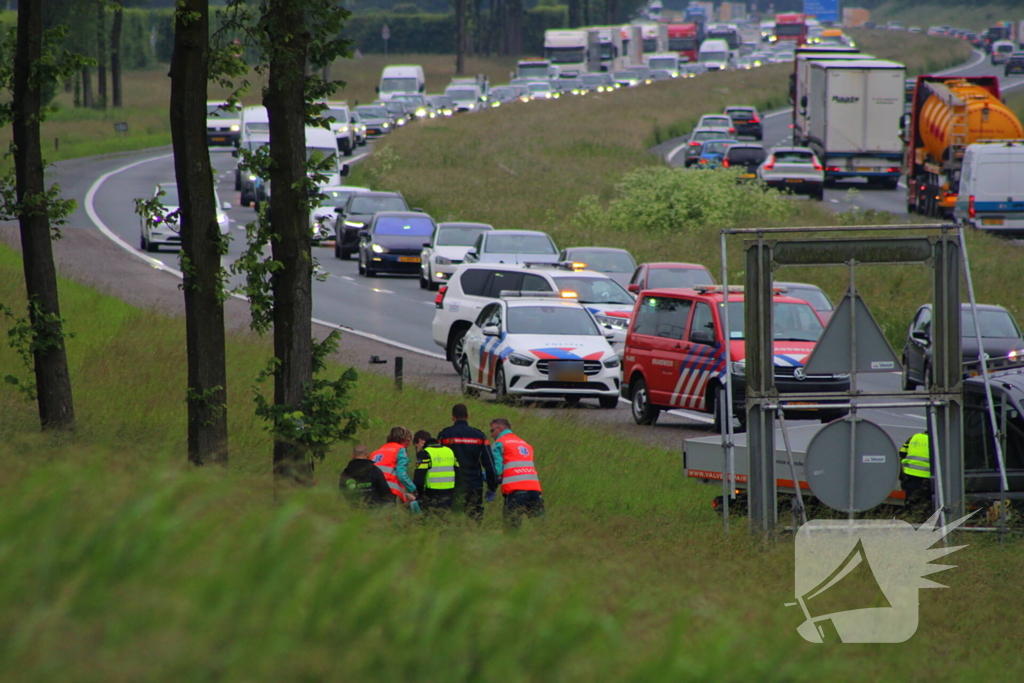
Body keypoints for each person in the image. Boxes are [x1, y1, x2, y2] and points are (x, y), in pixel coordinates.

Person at [438, 403, 498, 521]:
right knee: (474, 521)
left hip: (451, 485)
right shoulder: (479, 436)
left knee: (452, 521)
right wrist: (492, 486)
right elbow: (489, 463)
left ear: (453, 417)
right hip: (474, 485)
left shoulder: (444, 435)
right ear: (468, 416)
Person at [489, 417, 545, 528]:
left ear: (499, 429)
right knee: (540, 528)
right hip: (534, 490)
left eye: (492, 431)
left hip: (515, 490)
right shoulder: (525, 444)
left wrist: (486, 477)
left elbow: (497, 470)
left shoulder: (499, 443)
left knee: (512, 528)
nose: (491, 435)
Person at [412, 430, 458, 516]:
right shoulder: (449, 451)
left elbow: (418, 480)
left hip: (432, 494)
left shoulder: (425, 453)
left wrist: (420, 496)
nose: (417, 449)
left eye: (416, 446)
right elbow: (458, 472)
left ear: (421, 441)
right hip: (450, 493)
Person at [370, 427, 417, 503]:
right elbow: (401, 475)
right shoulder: (400, 450)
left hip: (373, 489)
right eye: (409, 441)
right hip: (389, 489)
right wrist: (414, 489)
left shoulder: (376, 452)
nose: (409, 444)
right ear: (404, 439)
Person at [339, 443, 394, 508]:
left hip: (353, 510)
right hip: (373, 509)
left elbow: (342, 492)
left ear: (353, 456)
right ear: (367, 455)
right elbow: (385, 492)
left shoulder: (346, 473)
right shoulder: (375, 471)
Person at [899, 431, 932, 514]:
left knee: (910, 503)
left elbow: (902, 453)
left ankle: (910, 520)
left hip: (910, 475)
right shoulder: (936, 440)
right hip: (927, 477)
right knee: (926, 505)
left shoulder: (914, 437)